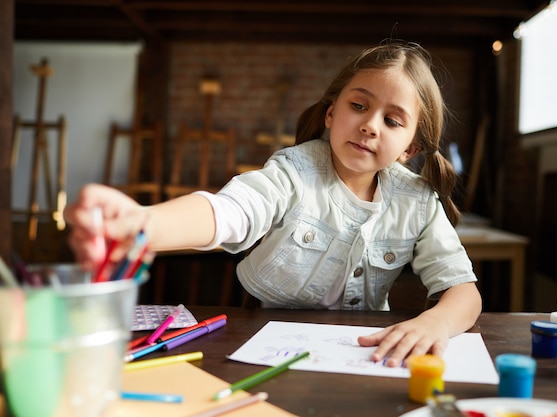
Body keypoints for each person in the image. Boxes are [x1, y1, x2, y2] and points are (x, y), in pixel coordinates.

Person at [64, 40, 482, 367]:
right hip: (265, 340)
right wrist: (141, 224)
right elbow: (230, 212)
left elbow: (463, 290)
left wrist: (436, 322)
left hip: (362, 353)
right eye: (359, 106)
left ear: (410, 148)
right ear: (331, 114)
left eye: (392, 120)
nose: (370, 125)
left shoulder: (417, 199)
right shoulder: (292, 172)